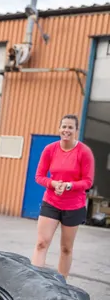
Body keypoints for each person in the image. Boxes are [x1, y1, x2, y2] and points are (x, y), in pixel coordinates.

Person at [31, 114, 95, 279]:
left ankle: (62, 285)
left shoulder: (84, 152)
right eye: (64, 127)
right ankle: (34, 280)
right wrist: (53, 184)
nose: (66, 130)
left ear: (76, 130)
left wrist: (68, 185)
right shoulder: (50, 149)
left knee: (66, 248)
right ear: (59, 128)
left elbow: (88, 182)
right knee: (41, 243)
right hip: (51, 202)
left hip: (74, 206)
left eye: (70, 127)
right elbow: (39, 176)